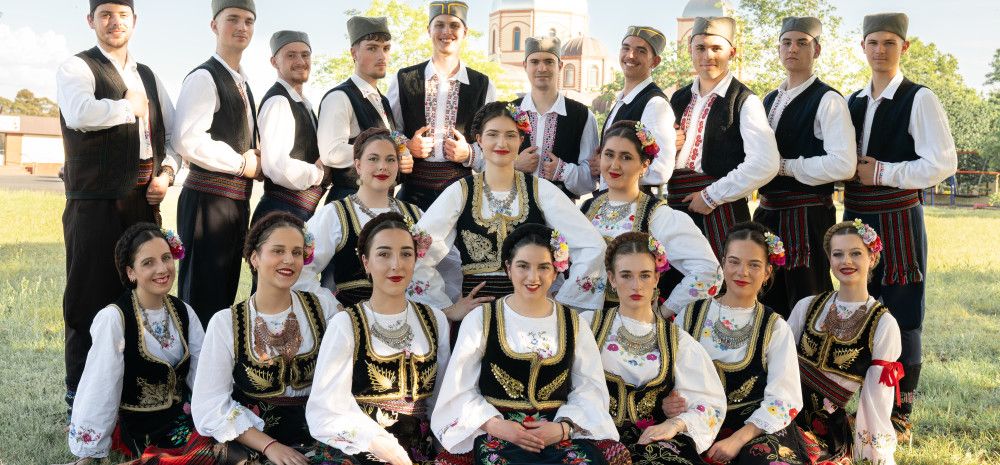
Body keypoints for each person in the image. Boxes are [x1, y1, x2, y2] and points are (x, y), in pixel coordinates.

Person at [56, 0, 180, 411]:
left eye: (122, 14)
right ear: (90, 20)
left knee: (141, 301)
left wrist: (166, 174)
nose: (114, 22)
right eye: (105, 14)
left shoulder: (150, 75)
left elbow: (173, 137)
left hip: (142, 207)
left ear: (134, 21)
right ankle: (82, 404)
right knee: (88, 303)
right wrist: (129, 106)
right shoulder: (77, 67)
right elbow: (79, 113)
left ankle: (133, 398)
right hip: (94, 207)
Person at [844, 12, 957, 441]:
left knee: (903, 311)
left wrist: (883, 173)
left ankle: (900, 412)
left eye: (889, 43)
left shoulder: (919, 97)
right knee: (857, 306)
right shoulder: (852, 100)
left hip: (897, 217)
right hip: (854, 216)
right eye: (873, 42)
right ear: (863, 47)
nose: (880, 50)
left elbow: (943, 163)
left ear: (904, 47)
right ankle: (861, 403)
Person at [431, 224, 626, 465]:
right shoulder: (481, 319)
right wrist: (498, 426)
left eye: (543, 267)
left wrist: (563, 428)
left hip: (558, 433)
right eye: (523, 266)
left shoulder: (573, 323)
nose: (533, 277)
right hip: (497, 431)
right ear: (508, 269)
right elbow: (459, 390)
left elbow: (590, 389)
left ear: (556, 272)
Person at [411, 102, 607, 320]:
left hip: (533, 314)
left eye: (511, 135)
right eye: (493, 134)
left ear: (521, 141)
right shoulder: (460, 192)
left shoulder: (541, 190)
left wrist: (565, 302)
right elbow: (416, 251)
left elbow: (592, 246)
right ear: (479, 140)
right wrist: (445, 308)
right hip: (477, 317)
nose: (501, 143)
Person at [64, 224, 232, 464]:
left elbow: (204, 373)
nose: (162, 269)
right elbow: (100, 385)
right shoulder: (114, 318)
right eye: (148, 263)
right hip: (142, 429)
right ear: (131, 272)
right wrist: (88, 455)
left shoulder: (183, 311)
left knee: (230, 447)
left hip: (184, 417)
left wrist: (221, 414)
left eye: (166, 258)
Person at [192, 212, 337, 464]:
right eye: (278, 251)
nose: (289, 260)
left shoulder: (323, 309)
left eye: (297, 252)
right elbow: (210, 404)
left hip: (316, 433)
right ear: (255, 257)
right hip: (251, 437)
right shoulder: (226, 323)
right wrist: (269, 446)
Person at [307, 212, 451, 465]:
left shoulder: (434, 320)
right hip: (359, 447)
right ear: (366, 262)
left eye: (406, 253)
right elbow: (326, 407)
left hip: (418, 451)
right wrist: (377, 444)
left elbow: (441, 399)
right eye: (384, 254)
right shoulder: (346, 324)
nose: (396, 265)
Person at [581, 232, 726, 464]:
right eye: (626, 276)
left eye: (645, 275)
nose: (636, 285)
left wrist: (674, 423)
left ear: (657, 278)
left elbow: (710, 404)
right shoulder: (588, 326)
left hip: (651, 441)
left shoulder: (677, 340)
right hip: (594, 434)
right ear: (612, 278)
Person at [673, 223, 809, 465]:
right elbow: (670, 373)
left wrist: (737, 439)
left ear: (768, 271)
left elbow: (783, 398)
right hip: (694, 420)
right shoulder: (690, 314)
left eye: (754, 265)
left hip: (753, 426)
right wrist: (670, 401)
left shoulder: (775, 327)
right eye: (734, 261)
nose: (742, 272)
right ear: (723, 263)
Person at [752, 17, 857, 318]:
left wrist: (784, 167)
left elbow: (843, 164)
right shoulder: (771, 98)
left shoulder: (828, 100)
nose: (793, 49)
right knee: (768, 297)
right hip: (768, 212)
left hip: (807, 217)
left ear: (817, 50)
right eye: (787, 42)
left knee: (808, 300)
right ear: (779, 49)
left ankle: (808, 365)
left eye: (802, 43)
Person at [173, 0, 260, 326]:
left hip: (235, 202)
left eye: (249, 21)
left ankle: (213, 369)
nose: (242, 27)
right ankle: (192, 375)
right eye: (233, 19)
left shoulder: (243, 83)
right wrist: (242, 164)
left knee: (223, 294)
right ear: (214, 26)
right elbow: (187, 139)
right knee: (201, 296)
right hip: (207, 203)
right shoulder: (204, 77)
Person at [788, 220, 902, 464]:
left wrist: (877, 455)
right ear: (829, 259)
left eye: (856, 253)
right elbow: (778, 363)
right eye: (837, 254)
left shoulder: (883, 324)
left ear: (872, 258)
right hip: (782, 413)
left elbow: (876, 397)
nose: (846, 261)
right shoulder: (807, 306)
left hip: (825, 434)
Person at [667, 17, 780, 261]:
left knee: (721, 283)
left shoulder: (743, 101)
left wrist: (710, 196)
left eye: (716, 48)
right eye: (700, 48)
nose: (707, 55)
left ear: (732, 52)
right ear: (690, 50)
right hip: (677, 207)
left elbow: (766, 163)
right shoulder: (679, 97)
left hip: (720, 210)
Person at [583, 120, 721, 316]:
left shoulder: (657, 216)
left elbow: (709, 272)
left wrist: (664, 311)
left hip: (634, 325)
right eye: (609, 154)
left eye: (626, 157)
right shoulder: (588, 208)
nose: (615, 165)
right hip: (584, 321)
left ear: (644, 165)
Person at [294, 128, 422, 307]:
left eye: (390, 159)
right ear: (358, 165)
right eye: (373, 158)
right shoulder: (336, 214)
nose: (382, 166)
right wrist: (332, 307)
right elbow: (300, 268)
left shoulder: (415, 215)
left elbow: (441, 269)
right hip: (354, 323)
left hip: (406, 319)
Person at [387, 0, 497, 210]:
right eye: (439, 25)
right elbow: (390, 130)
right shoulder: (405, 78)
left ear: (465, 32)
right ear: (429, 30)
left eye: (454, 25)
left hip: (462, 190)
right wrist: (408, 145)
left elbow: (491, 141)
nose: (447, 31)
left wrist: (468, 153)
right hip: (413, 191)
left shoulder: (482, 84)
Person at [477, 36, 598, 200]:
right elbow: (484, 163)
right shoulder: (508, 111)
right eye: (534, 62)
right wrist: (514, 166)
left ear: (560, 66)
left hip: (560, 210)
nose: (542, 68)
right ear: (525, 66)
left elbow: (590, 180)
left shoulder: (582, 115)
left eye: (549, 61)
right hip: (511, 204)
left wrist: (562, 171)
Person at [318, 16, 410, 203]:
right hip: (349, 203)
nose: (382, 56)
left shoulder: (382, 100)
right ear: (354, 53)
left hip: (380, 202)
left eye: (386, 48)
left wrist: (403, 156)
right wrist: (389, 156)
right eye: (372, 48)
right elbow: (331, 152)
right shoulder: (339, 97)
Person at [251, 30, 327, 223]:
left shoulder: (304, 103)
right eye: (291, 55)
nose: (300, 61)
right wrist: (319, 173)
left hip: (295, 213)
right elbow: (278, 167)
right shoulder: (279, 101)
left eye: (305, 55)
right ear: (274, 62)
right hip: (280, 215)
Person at [595, 25, 676, 193]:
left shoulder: (654, 104)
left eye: (641, 51)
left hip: (634, 207)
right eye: (626, 48)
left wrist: (608, 168)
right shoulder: (621, 101)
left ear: (655, 61)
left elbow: (660, 170)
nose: (630, 55)